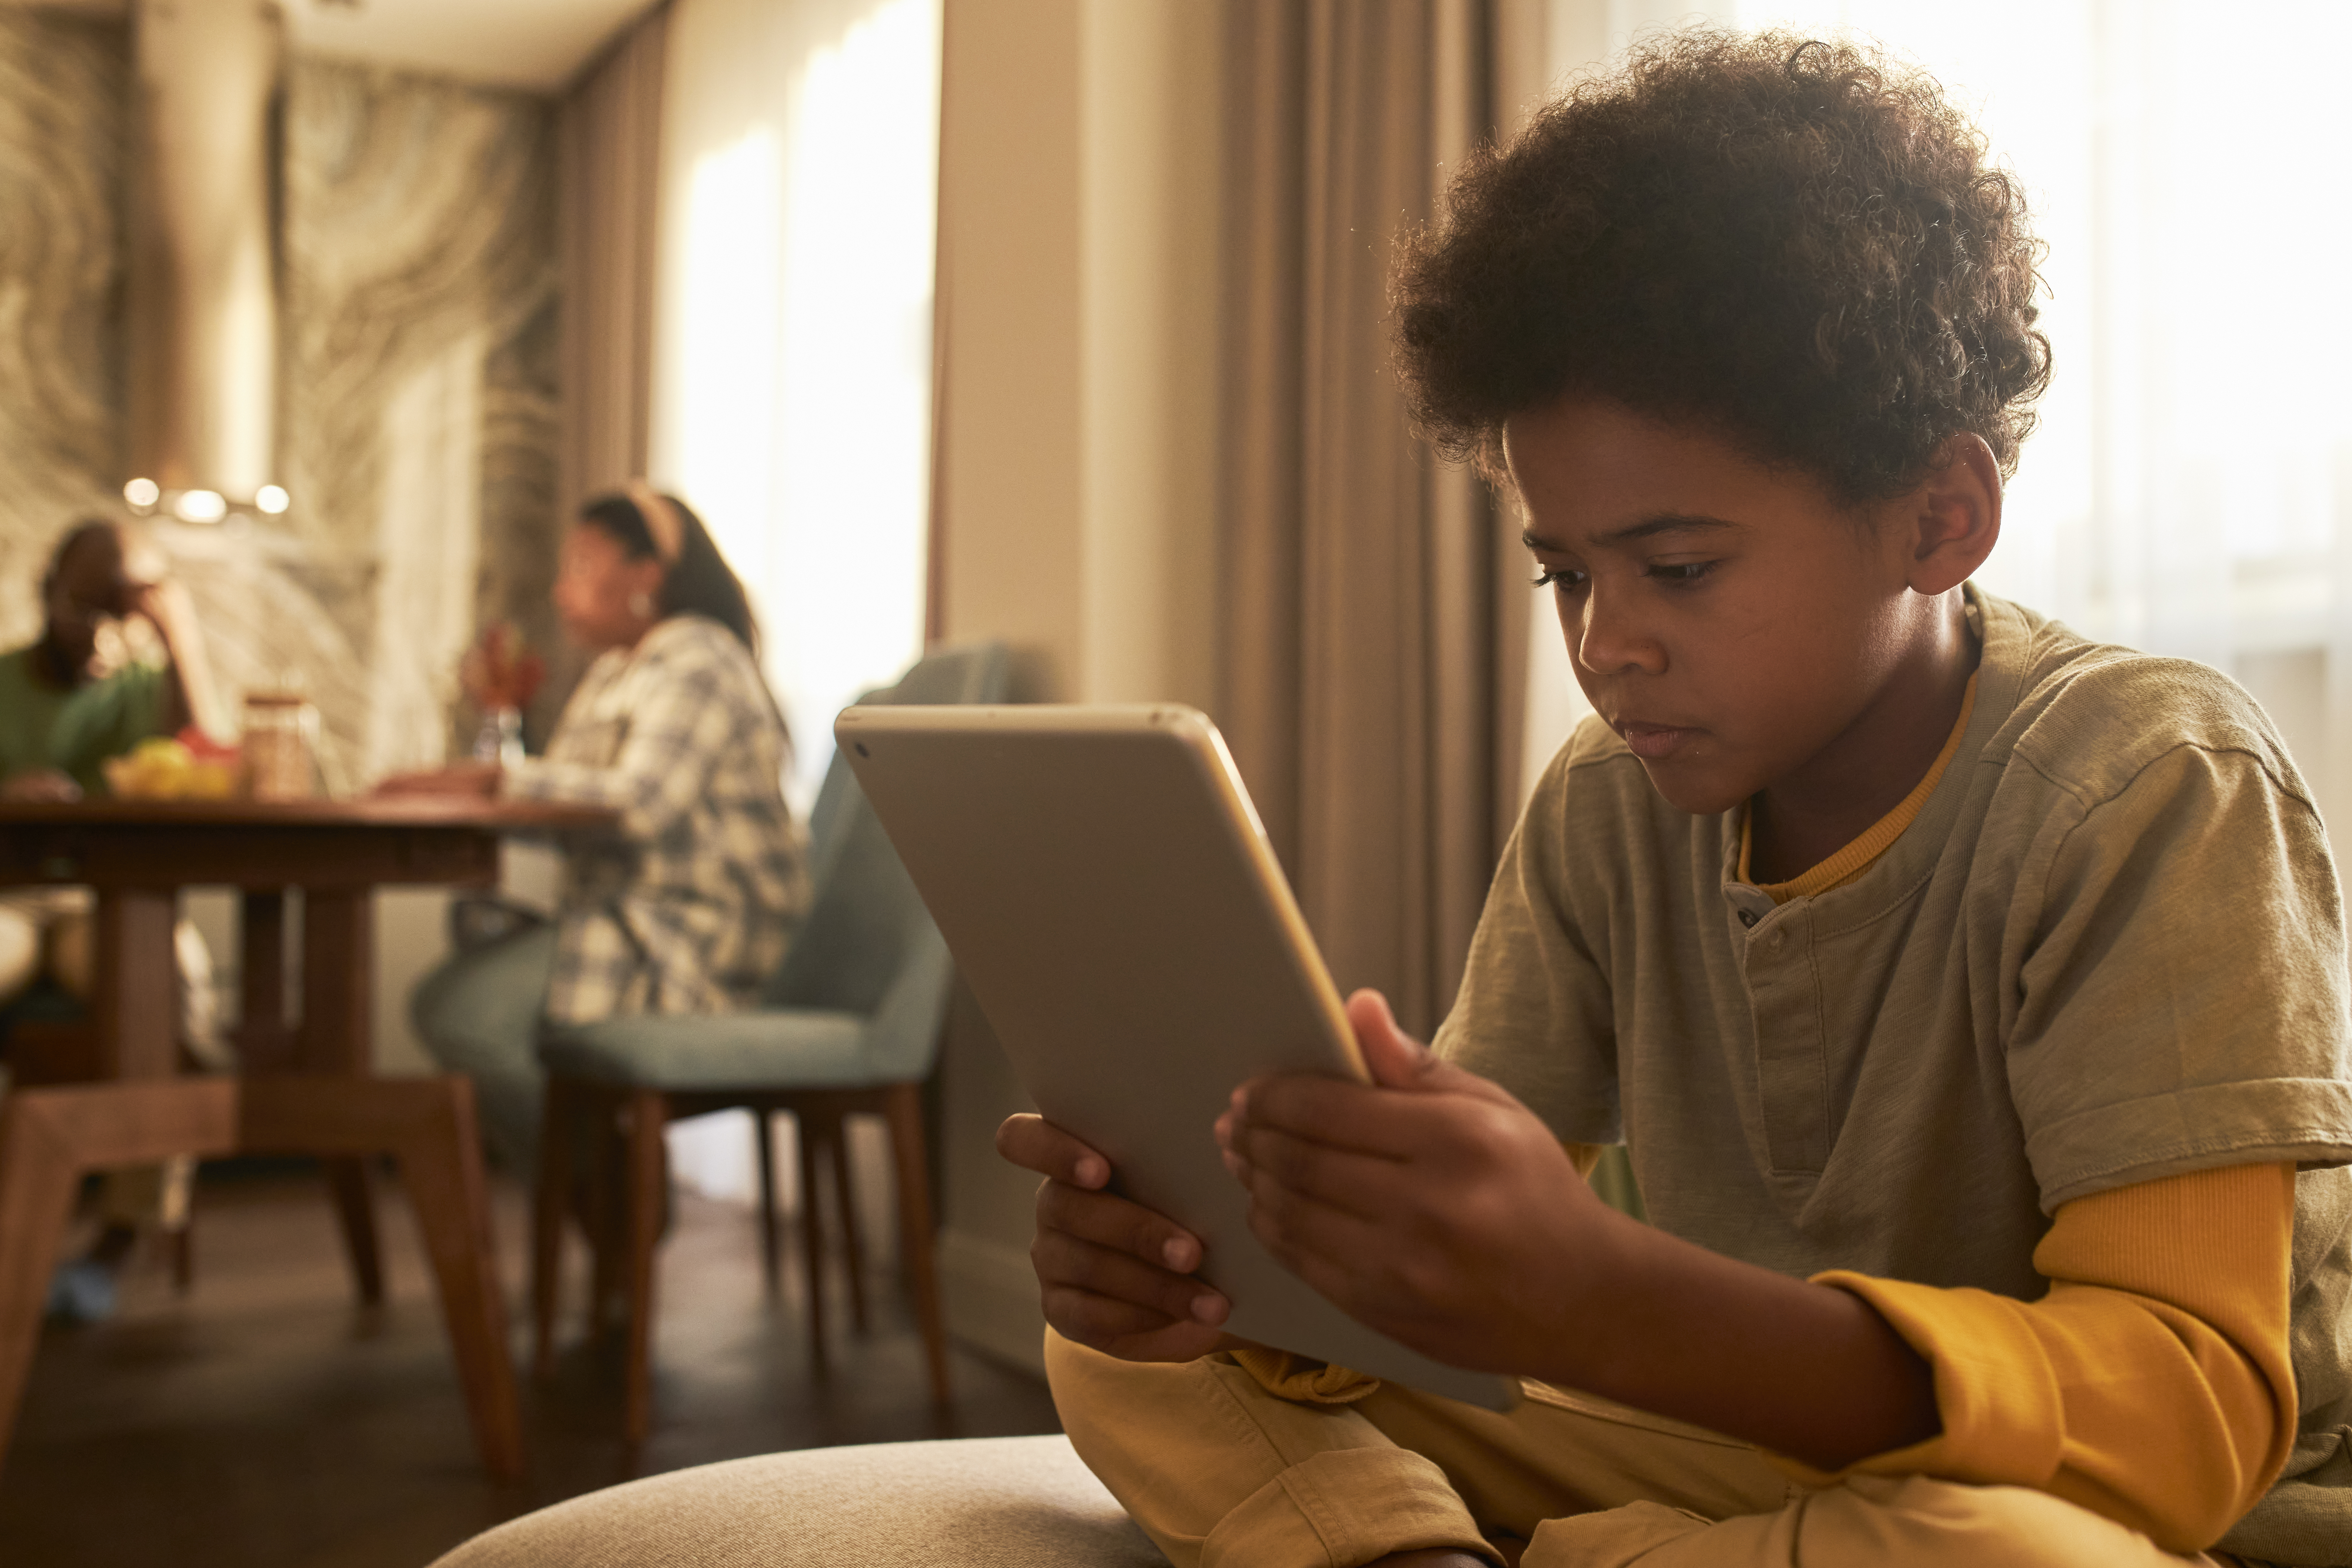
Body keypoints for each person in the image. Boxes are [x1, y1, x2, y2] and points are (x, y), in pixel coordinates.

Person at [1000, 31, 2351, 1568]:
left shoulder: (2148, 781)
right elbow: (1472, 1274)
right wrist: (1271, 1255)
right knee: (1134, 1344)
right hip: (1746, 1447)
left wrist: (1610, 1299)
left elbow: (2183, 1417)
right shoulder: (1608, 801)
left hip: (2145, 1503)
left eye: (1681, 567)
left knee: (2009, 1549)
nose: (1604, 640)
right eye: (1566, 572)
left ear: (1940, 515)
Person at [395, 486, 810, 1176]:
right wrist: (490, 770)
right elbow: (570, 804)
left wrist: (497, 780)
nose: (561, 591)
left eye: (583, 565)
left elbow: (641, 804)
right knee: (453, 1000)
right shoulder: (618, 672)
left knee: (465, 1016)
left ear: (649, 574)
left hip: (698, 936)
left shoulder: (698, 659)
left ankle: (611, 1199)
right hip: (631, 919)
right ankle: (606, 1195)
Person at [0, 518, 228, 1318]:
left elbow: (213, 759)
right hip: (11, 902)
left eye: (121, 609)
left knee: (167, 981)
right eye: (84, 606)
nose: (100, 629)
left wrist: (178, 635)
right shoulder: (5, 681)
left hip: (115, 904)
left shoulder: (144, 688)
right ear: (47, 594)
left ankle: (122, 1239)